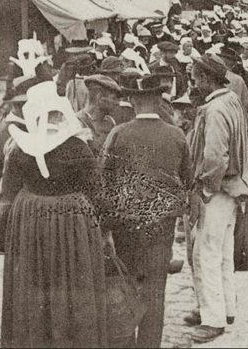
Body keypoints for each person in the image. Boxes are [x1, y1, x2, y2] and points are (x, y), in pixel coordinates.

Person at [0, 80, 109, 348]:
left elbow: (9, 190)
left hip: (30, 220)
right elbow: (97, 193)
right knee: (70, 283)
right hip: (71, 223)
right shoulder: (78, 147)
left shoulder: (20, 148)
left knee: (33, 281)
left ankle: (35, 337)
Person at [103, 74, 191, 349]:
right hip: (161, 225)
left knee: (127, 285)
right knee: (155, 290)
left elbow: (103, 180)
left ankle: (126, 342)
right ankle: (150, 344)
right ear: (158, 99)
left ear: (132, 101)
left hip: (125, 224)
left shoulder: (117, 133)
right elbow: (187, 180)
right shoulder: (176, 135)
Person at [184, 55, 248, 344]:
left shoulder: (214, 109)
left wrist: (205, 188)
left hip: (219, 188)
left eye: (195, 77)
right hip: (235, 187)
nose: (194, 83)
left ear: (204, 78)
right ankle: (227, 309)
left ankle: (212, 319)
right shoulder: (232, 101)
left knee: (205, 254)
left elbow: (214, 156)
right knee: (223, 253)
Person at [77, 73, 121, 153]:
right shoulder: (77, 123)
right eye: (114, 98)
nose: (117, 103)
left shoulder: (110, 122)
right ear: (99, 97)